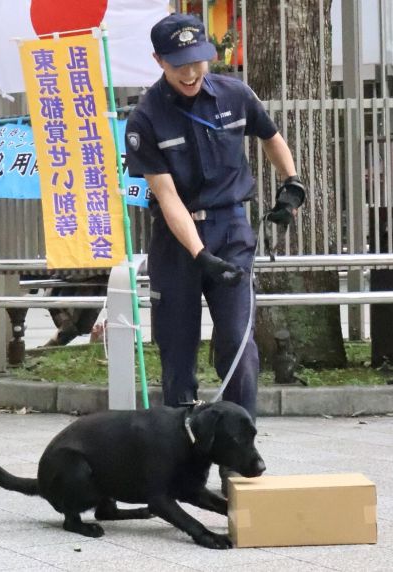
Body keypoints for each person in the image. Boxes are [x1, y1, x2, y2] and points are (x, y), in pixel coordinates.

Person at [125, 13, 305, 494]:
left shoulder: (234, 94)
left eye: (198, 61)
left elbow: (270, 135)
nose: (191, 73)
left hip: (232, 231)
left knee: (239, 346)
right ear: (159, 61)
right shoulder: (146, 119)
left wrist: (291, 182)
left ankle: (237, 455)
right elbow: (166, 197)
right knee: (177, 351)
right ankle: (181, 464)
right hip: (178, 241)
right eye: (179, 64)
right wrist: (199, 253)